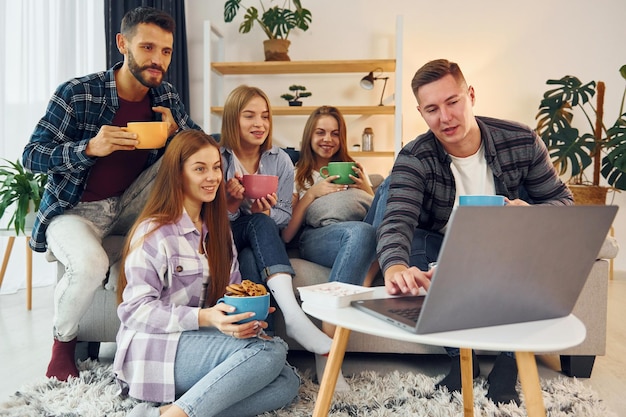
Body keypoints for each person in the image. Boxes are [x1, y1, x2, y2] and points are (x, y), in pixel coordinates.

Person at [373, 59, 573, 404]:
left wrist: (533, 213)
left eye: (453, 102)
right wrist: (395, 268)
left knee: (538, 246)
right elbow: (396, 221)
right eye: (432, 109)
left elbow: (562, 202)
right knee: (419, 246)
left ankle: (509, 362)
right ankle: (462, 359)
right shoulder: (415, 157)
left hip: (506, 246)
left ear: (471, 95)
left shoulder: (521, 140)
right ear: (422, 113)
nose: (445, 117)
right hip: (442, 247)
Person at [21, 6, 201, 381]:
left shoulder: (165, 96)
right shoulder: (77, 92)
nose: (157, 60)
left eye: (166, 52)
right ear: (123, 44)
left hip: (133, 206)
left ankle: (165, 332)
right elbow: (31, 156)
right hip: (76, 210)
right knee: (91, 264)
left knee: (185, 156)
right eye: (148, 47)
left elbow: (201, 151)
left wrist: (177, 137)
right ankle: (63, 342)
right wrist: (88, 148)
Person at [114, 131, 300, 417]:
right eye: (200, 169)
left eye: (216, 167)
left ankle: (176, 411)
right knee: (269, 354)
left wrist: (245, 317)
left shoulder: (218, 230)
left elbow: (232, 289)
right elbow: (135, 310)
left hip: (201, 339)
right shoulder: (153, 231)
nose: (212, 177)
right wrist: (205, 317)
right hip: (156, 347)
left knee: (288, 381)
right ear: (177, 175)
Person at [220, 86, 344, 388]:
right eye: (249, 116)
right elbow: (209, 220)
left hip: (259, 241)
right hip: (225, 236)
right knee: (256, 225)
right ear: (233, 120)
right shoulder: (218, 158)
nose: (259, 123)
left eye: (264, 116)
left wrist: (266, 213)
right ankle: (294, 315)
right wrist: (233, 207)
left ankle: (266, 350)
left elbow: (286, 217)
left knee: (258, 235)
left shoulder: (280, 161)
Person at [281, 106, 378, 390]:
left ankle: (362, 281)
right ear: (309, 135)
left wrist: (367, 191)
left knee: (369, 227)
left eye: (335, 133)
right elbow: (288, 235)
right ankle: (326, 355)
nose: (328, 139)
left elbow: (376, 218)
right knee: (361, 233)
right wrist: (312, 193)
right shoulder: (297, 173)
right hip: (315, 239)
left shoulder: (355, 170)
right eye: (321, 132)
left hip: (357, 236)